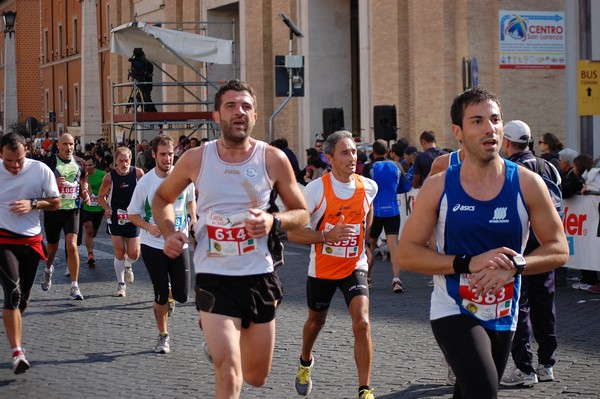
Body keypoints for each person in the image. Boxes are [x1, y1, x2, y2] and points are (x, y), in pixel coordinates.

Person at [398, 87, 568, 399]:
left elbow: (559, 248)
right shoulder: (438, 187)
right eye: (477, 121)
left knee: (469, 392)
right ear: (458, 132)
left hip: (504, 311)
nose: (489, 128)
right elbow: (407, 254)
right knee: (484, 392)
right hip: (453, 308)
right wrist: (467, 262)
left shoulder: (528, 184)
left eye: (495, 120)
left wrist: (517, 266)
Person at [151, 79, 309, 398]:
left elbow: (302, 212)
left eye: (246, 107)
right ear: (216, 116)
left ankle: (219, 341)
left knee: (256, 376)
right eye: (231, 106)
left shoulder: (273, 159)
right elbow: (162, 199)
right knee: (229, 373)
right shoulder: (197, 159)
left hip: (259, 277)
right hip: (215, 278)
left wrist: (273, 220)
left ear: (254, 116)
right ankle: (218, 338)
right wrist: (169, 232)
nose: (239, 112)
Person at [288, 130, 378, 399]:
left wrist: (366, 244)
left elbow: (368, 209)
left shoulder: (368, 186)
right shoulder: (315, 190)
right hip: (323, 270)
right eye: (345, 152)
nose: (352, 157)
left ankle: (365, 389)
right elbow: (293, 232)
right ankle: (305, 361)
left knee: (362, 323)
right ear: (329, 158)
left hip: (354, 266)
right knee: (316, 322)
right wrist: (326, 236)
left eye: (353, 151)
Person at [498, 120, 562, 387]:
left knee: (519, 308)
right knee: (545, 306)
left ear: (508, 142)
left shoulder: (510, 170)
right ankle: (546, 365)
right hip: (545, 248)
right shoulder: (548, 167)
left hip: (518, 248)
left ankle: (525, 369)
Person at [128, 134, 196, 354]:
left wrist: (192, 217)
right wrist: (149, 227)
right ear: (154, 155)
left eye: (171, 154)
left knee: (183, 295)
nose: (168, 159)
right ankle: (163, 336)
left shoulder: (184, 177)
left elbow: (190, 201)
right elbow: (132, 213)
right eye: (163, 155)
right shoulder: (146, 182)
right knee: (159, 292)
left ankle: (169, 298)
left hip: (180, 243)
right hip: (153, 245)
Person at [0, 133, 60, 374]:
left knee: (23, 298)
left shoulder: (41, 170)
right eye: (9, 161)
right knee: (12, 293)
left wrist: (33, 204)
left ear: (26, 151)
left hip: (32, 240)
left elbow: (56, 202)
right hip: (3, 238)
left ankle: (12, 318)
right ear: (1, 154)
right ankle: (17, 352)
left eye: (19, 160)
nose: (14, 166)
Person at [40, 133, 90, 300]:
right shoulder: (49, 163)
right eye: (65, 144)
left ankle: (75, 286)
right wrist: (54, 183)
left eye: (71, 144)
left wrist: (84, 193)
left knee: (72, 246)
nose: (69, 147)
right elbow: (40, 184)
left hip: (73, 209)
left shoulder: (79, 163)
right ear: (58, 146)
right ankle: (48, 270)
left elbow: (83, 180)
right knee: (52, 247)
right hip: (54, 210)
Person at [98, 146, 145, 297]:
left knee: (134, 253)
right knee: (119, 251)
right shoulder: (109, 177)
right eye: (121, 161)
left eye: (127, 160)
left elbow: (145, 193)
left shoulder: (138, 173)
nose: (124, 164)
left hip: (134, 217)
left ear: (130, 160)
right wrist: (106, 208)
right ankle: (121, 285)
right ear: (115, 161)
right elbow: (101, 197)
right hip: (116, 218)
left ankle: (128, 265)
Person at [362, 139, 404, 293]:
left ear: (373, 153)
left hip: (375, 212)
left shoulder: (369, 167)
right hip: (393, 210)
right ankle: (397, 279)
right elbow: (405, 185)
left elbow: (364, 188)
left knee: (371, 245)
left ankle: (367, 278)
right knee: (394, 246)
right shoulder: (396, 165)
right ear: (388, 152)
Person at [79, 155, 107, 267]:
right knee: (88, 229)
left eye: (90, 165)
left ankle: (90, 249)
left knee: (93, 232)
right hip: (86, 207)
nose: (88, 167)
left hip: (98, 208)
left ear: (94, 164)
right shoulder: (81, 175)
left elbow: (108, 188)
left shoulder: (102, 175)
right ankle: (90, 255)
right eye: (86, 165)